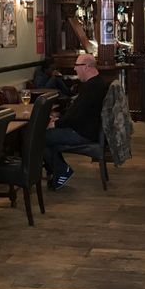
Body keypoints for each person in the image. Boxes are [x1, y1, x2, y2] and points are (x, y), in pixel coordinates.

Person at [43, 54, 109, 191]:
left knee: (40, 137)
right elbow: (76, 113)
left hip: (83, 132)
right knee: (47, 139)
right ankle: (59, 170)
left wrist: (55, 123)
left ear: (87, 67)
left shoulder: (93, 87)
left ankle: (61, 171)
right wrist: (59, 119)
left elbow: (76, 117)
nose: (74, 69)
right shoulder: (96, 83)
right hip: (86, 128)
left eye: (77, 65)